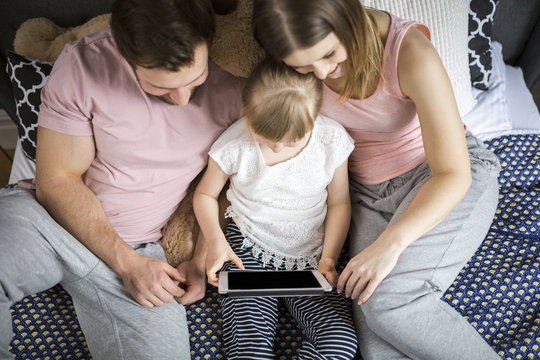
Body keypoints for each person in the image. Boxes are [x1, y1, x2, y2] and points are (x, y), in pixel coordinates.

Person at [252, 1, 502, 359]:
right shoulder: (292, 60)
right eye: (303, 67)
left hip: (439, 175)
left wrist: (391, 244)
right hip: (367, 194)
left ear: (349, 19)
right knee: (374, 335)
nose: (322, 74)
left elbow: (453, 172)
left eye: (329, 55)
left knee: (389, 304)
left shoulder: (409, 52)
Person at [0, 0, 245, 358]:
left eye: (195, 79)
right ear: (126, 55)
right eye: (159, 87)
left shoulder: (241, 81)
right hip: (48, 224)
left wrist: (199, 256)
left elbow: (232, 183)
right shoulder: (84, 64)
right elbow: (58, 178)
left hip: (142, 246)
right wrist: (127, 265)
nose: (181, 99)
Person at [193, 58, 358, 359]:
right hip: (247, 250)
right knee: (249, 349)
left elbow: (340, 202)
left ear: (315, 117)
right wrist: (216, 244)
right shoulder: (234, 145)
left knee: (340, 343)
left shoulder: (331, 140)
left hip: (312, 257)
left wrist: (330, 257)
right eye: (266, 139)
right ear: (247, 113)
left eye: (292, 140)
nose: (278, 148)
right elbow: (204, 194)